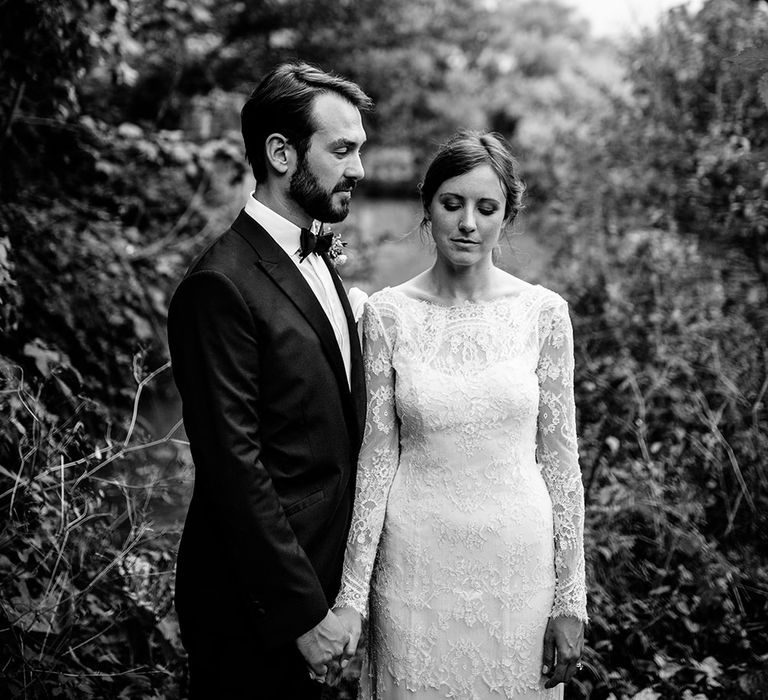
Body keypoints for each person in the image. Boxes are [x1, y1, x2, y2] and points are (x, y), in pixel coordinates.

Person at [332, 131, 588, 699]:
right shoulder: (388, 315)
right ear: (429, 208)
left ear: (506, 216)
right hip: (415, 572)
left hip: (517, 577)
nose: (467, 222)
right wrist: (352, 596)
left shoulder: (544, 315)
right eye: (452, 204)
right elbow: (375, 462)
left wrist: (571, 598)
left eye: (486, 208)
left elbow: (561, 465)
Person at [167, 62, 372, 699]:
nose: (360, 168)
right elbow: (235, 467)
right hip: (252, 608)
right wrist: (301, 613)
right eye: (342, 149)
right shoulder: (220, 285)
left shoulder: (316, 255)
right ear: (281, 154)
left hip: (322, 582)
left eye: (359, 149)